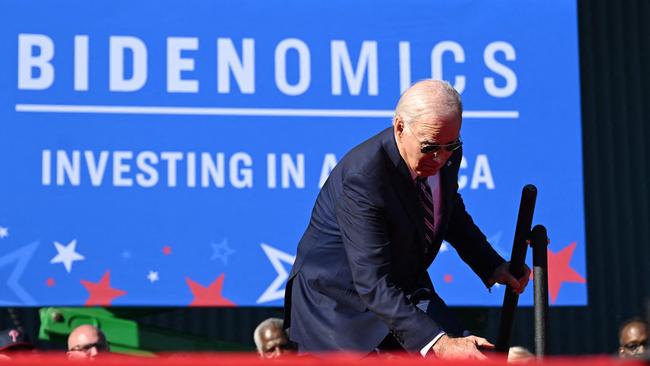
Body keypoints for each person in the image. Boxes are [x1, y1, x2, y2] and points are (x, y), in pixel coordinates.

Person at [284, 79, 530, 359]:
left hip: (404, 289)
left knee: (474, 355)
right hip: (340, 309)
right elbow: (372, 282)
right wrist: (439, 343)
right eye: (429, 147)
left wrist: (492, 265)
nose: (439, 158)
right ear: (400, 127)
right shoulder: (363, 178)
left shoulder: (447, 150)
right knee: (442, 348)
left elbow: (447, 210)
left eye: (450, 144)